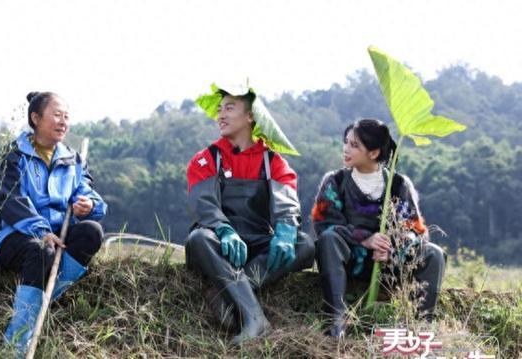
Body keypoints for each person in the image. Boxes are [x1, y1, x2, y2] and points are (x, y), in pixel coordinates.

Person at [185, 83, 315, 344]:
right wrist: (223, 230)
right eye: (219, 109)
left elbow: (287, 205)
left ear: (250, 116)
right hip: (218, 243)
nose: (221, 115)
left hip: (257, 243)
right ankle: (254, 318)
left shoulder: (272, 161)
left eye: (229, 108)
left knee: (306, 245)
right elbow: (206, 205)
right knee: (198, 239)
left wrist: (286, 231)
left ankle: (225, 294)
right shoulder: (206, 158)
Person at [0, 92, 107, 352]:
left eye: (67, 116)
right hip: (12, 234)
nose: (63, 121)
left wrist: (89, 206)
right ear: (36, 118)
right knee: (42, 250)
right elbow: (11, 201)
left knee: (92, 232)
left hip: (55, 237)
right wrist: (41, 231)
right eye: (57, 115)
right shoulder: (14, 156)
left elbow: (88, 194)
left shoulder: (72, 160)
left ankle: (43, 299)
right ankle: (16, 346)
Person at [311, 118, 446, 337]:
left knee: (434, 253)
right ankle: (335, 322)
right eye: (345, 142)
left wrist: (392, 247)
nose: (345, 149)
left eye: (354, 145)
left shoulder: (399, 184)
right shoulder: (335, 181)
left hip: (387, 265)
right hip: (350, 260)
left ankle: (420, 328)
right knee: (328, 238)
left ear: (373, 153)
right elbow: (324, 222)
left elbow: (417, 230)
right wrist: (365, 238)